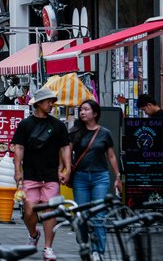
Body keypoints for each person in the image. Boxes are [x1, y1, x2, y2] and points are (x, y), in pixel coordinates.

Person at [11, 87, 71, 261]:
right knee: (28, 212)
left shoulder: (58, 125)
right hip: (30, 175)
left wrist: (67, 169)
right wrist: (17, 171)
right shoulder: (25, 124)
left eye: (52, 101)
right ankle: (33, 234)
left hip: (51, 176)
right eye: (48, 101)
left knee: (49, 212)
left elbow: (65, 147)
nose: (51, 104)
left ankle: (48, 247)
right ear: (38, 103)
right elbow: (19, 148)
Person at [70, 99, 122, 256]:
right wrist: (64, 169)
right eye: (81, 110)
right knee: (82, 215)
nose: (82, 112)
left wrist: (117, 176)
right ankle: (84, 243)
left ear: (95, 113)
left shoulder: (105, 133)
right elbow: (66, 152)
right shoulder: (75, 132)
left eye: (86, 109)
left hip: (100, 177)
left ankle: (98, 251)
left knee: (99, 215)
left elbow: (111, 155)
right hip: (80, 178)